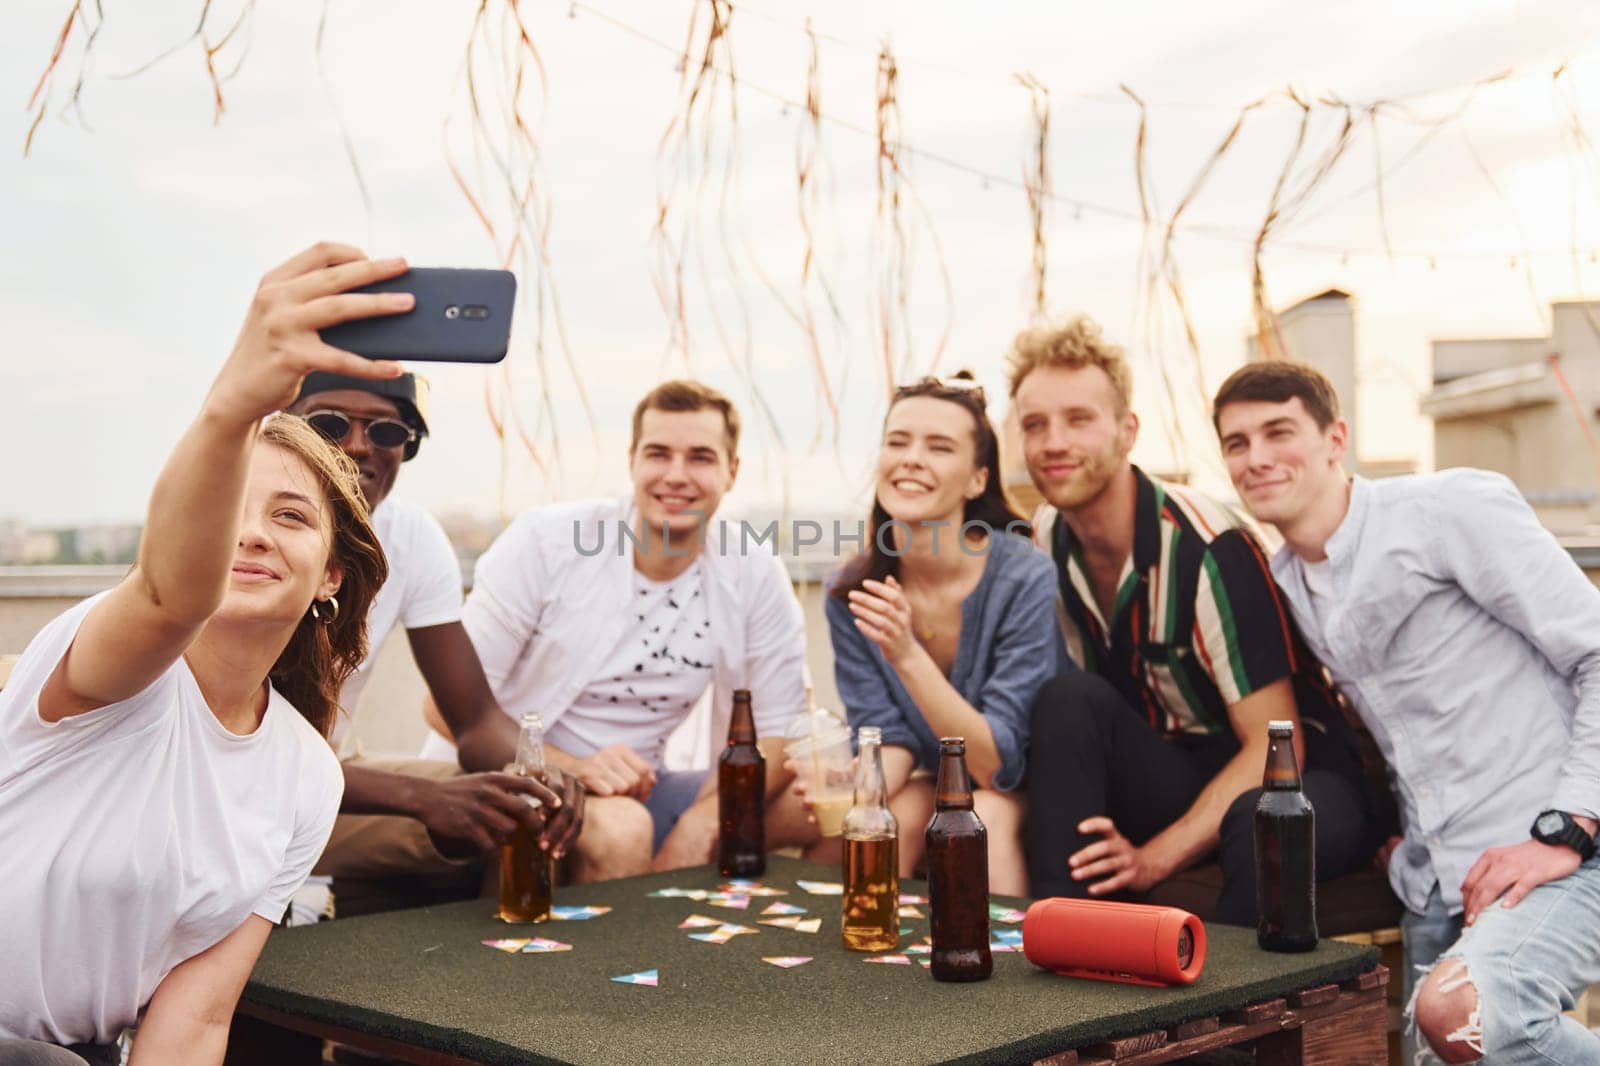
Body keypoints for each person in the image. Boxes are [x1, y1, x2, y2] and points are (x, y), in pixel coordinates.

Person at [0, 244, 566, 1065]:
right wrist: (235, 404)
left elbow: (192, 1024)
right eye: (235, 505)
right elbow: (168, 596)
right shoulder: (106, 666)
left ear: (330, 576)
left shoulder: (305, 776)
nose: (255, 531)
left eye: (293, 516)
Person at [1213, 359, 1600, 1065]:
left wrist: (1567, 827)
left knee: (1466, 1016)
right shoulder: (1288, 582)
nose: (1257, 457)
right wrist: (1395, 835)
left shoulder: (1448, 510)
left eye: (1278, 432)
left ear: (1336, 438)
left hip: (1558, 847)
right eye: (1236, 443)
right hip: (1438, 876)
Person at [1010, 316, 1376, 924]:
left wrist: (1153, 859)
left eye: (1079, 419)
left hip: (1299, 776)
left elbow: (1276, 742)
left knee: (1261, 820)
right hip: (1177, 766)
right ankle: (1064, 939)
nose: (1053, 442)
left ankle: (1218, 1008)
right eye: (1034, 425)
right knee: (1066, 701)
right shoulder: (1047, 538)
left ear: (1128, 432)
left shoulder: (1210, 547)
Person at [419, 380, 815, 879]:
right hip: (510, 774)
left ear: (732, 472)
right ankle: (624, 959)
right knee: (625, 827)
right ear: (632, 460)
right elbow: (444, 708)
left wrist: (704, 821)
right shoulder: (548, 542)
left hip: (642, 787)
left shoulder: (753, 570)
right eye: (658, 454)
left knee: (824, 807)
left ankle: (769, 942)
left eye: (700, 457)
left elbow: (780, 729)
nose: (676, 475)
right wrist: (574, 769)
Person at [283, 374, 583, 885]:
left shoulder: (411, 536)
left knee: (516, 806)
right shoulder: (250, 538)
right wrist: (421, 797)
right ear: (286, 432)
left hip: (326, 775)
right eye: (329, 424)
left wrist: (540, 773)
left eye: (385, 431)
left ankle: (513, 964)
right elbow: (248, 758)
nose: (358, 444)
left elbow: (474, 719)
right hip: (231, 797)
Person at [824, 373, 1064, 896]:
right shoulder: (851, 591)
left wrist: (906, 653)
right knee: (887, 816)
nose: (911, 458)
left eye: (939, 447)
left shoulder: (1022, 576)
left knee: (985, 823)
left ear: (977, 480)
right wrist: (851, 786)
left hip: (1020, 783)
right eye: (897, 442)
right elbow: (891, 738)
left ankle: (1013, 971)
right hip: (930, 779)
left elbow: (998, 764)